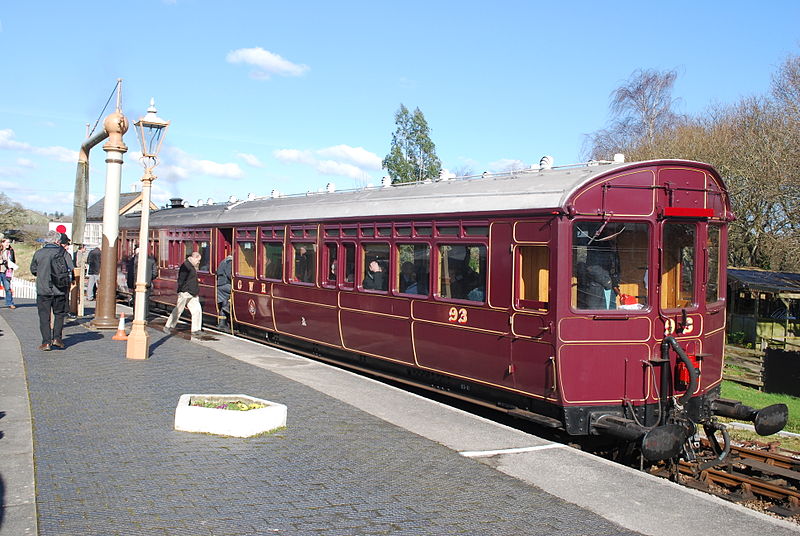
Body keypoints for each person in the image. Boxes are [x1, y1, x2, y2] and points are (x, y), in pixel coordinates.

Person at [30, 230, 73, 350]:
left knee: (44, 316)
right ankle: (57, 338)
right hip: (59, 290)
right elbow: (70, 268)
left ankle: (46, 342)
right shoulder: (63, 253)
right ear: (57, 241)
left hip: (43, 290)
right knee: (59, 314)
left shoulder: (38, 253)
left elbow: (33, 270)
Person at [164, 251, 203, 335]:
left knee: (197, 310)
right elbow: (181, 280)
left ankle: (196, 329)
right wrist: (182, 290)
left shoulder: (191, 266)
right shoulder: (186, 266)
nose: (199, 262)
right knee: (178, 310)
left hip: (193, 292)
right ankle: (168, 326)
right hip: (186, 292)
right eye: (198, 260)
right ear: (194, 258)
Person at [129, 247, 158, 319]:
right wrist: (149, 279)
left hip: (136, 283)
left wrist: (130, 284)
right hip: (147, 283)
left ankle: (136, 315)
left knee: (136, 300)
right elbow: (155, 273)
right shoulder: (151, 260)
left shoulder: (134, 260)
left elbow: (131, 273)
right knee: (146, 300)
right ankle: (145, 316)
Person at [215, 254, 233, 329]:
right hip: (225, 285)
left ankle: (222, 323)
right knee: (236, 292)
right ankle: (227, 307)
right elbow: (229, 275)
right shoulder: (230, 262)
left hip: (219, 285)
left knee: (223, 301)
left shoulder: (222, 262)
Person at [0, 238, 17, 309]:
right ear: (2, 243)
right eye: (6, 243)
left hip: (6, 271)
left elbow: (13, 260)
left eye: (9, 243)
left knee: (7, 288)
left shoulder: (10, 250)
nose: (8, 244)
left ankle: (10, 303)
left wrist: (10, 265)